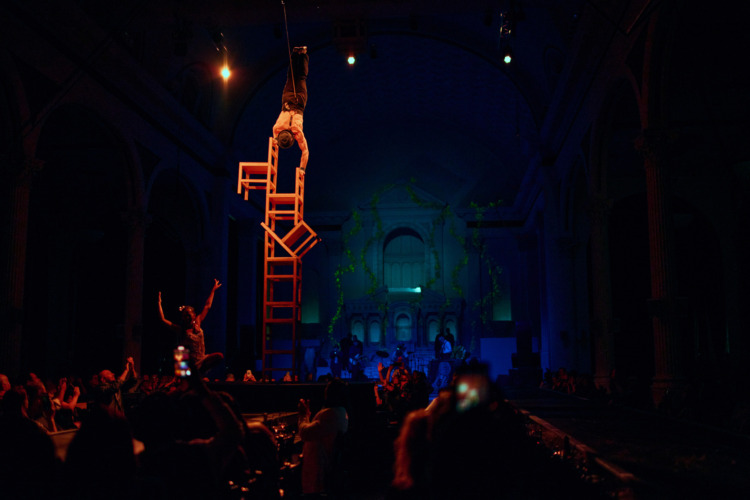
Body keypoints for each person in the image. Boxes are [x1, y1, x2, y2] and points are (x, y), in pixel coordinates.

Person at [158, 278, 224, 376]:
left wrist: (213, 290)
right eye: (185, 315)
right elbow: (163, 320)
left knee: (219, 356)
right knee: (180, 353)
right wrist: (159, 303)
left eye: (189, 314)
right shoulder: (181, 329)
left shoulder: (198, 321)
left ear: (194, 315)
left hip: (201, 359)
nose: (187, 317)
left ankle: (199, 373)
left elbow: (207, 306)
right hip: (188, 362)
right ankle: (188, 376)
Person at [297, 378, 349, 496]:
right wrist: (308, 417)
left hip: (318, 471)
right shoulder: (340, 412)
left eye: (328, 388)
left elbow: (305, 433)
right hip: (324, 468)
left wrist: (302, 415)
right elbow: (317, 432)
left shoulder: (330, 414)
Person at [272, 46, 309, 171]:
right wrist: (276, 141)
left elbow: (305, 151)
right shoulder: (277, 129)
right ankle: (295, 54)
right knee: (292, 77)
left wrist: (303, 168)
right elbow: (274, 138)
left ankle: (302, 54)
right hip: (288, 101)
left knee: (301, 78)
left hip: (299, 103)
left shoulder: (297, 132)